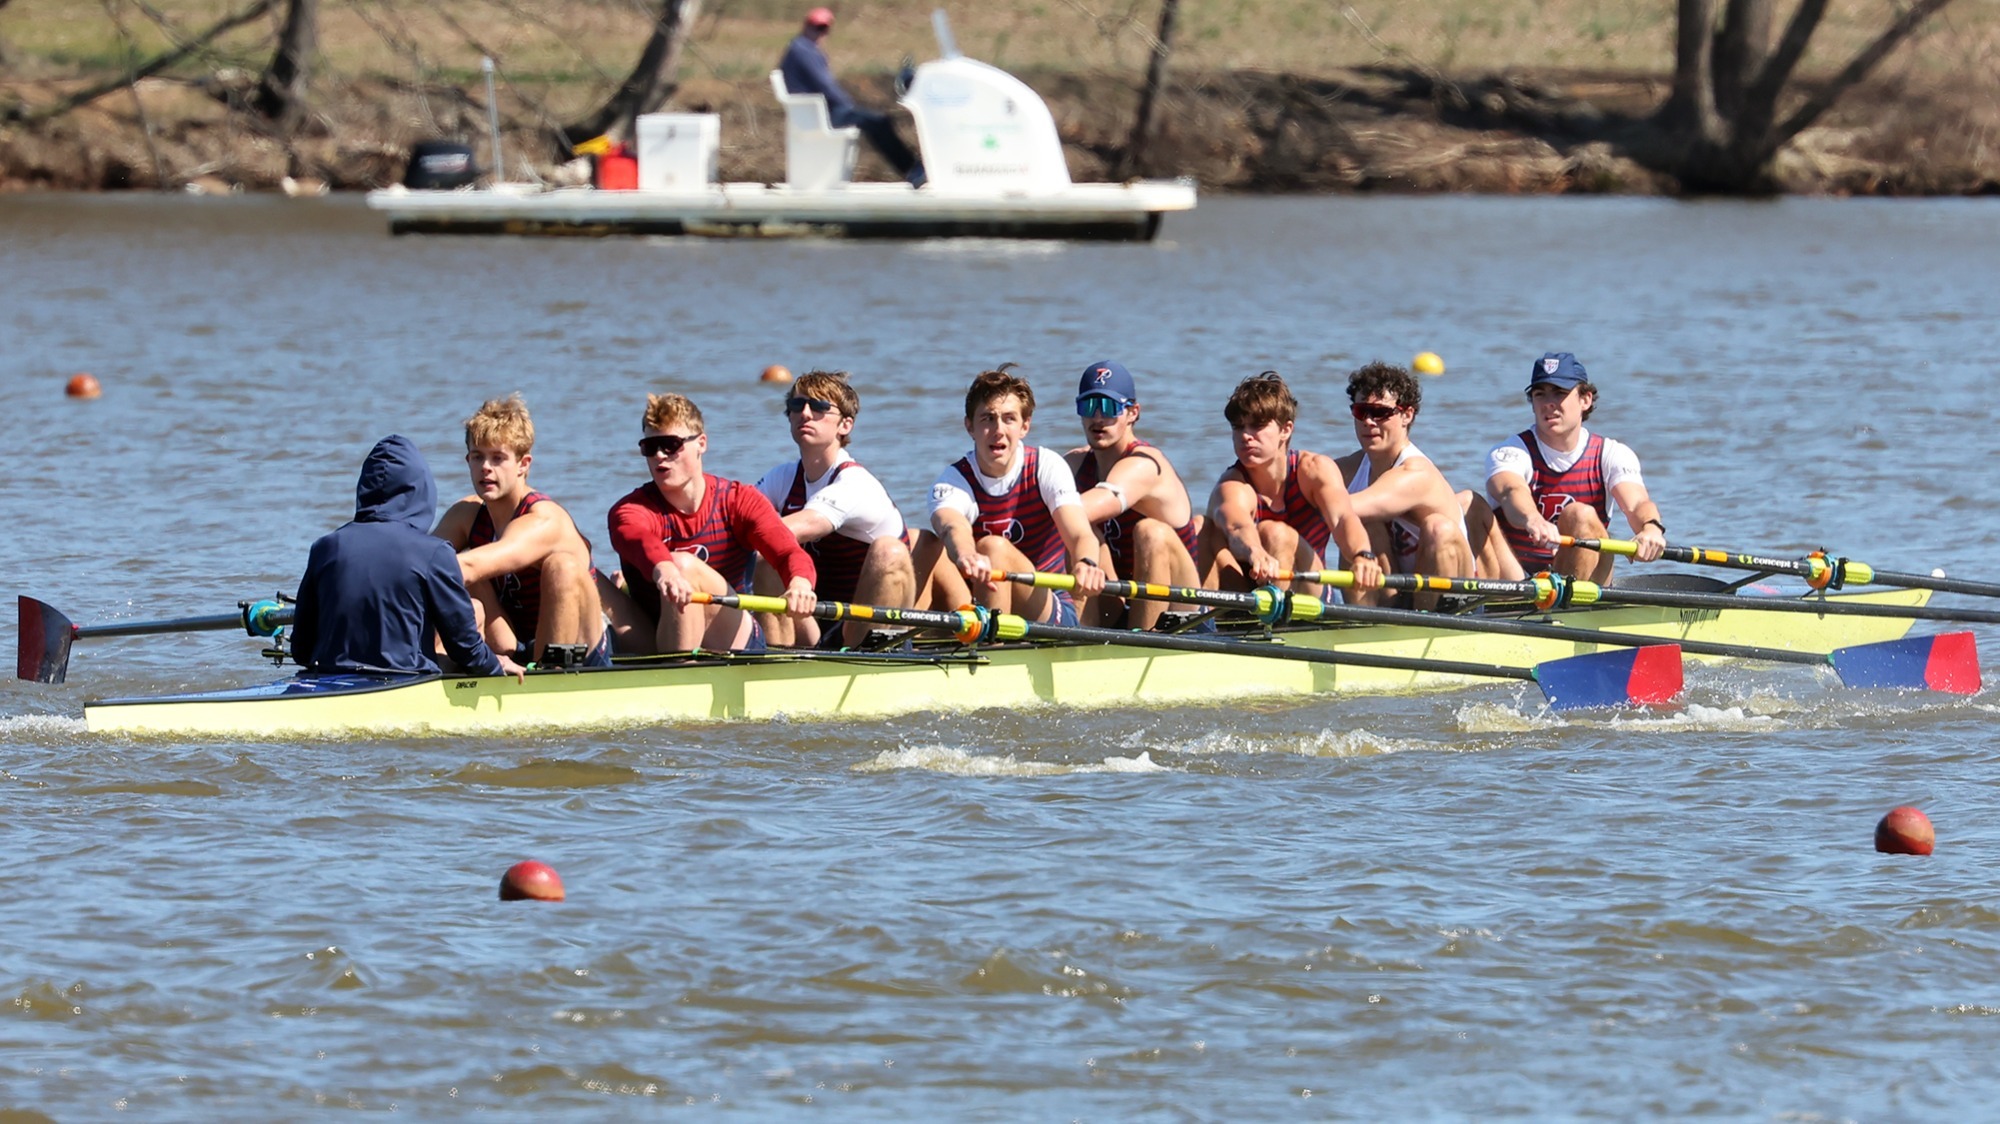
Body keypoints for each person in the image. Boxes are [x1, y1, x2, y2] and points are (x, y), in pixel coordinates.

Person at [291, 434, 525, 681]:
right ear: (422, 490)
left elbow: (301, 650)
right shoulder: (434, 553)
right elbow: (464, 646)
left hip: (329, 677)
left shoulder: (325, 547)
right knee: (472, 616)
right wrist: (493, 667)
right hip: (404, 681)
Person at [753, 370, 955, 648]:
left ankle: (877, 656)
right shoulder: (782, 477)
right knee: (765, 557)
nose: (806, 413)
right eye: (797, 406)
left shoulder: (855, 483)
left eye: (820, 407)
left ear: (845, 425)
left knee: (890, 551)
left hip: (861, 629)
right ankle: (774, 661)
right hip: (812, 623)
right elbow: (739, 516)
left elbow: (798, 526)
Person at [605, 393, 818, 653]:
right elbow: (638, 539)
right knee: (580, 565)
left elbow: (787, 551)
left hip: (731, 635)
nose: (660, 456)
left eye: (670, 444)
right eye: (650, 447)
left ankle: (681, 672)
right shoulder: (629, 510)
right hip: (656, 635)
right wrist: (664, 569)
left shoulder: (739, 500)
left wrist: (800, 585)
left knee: (683, 565)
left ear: (701, 443)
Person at [431, 394, 609, 667]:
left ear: (523, 465)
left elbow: (466, 566)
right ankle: (430, 671)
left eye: (498, 458)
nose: (486, 468)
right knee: (444, 562)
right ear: (468, 460)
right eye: (478, 457)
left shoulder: (545, 519)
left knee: (560, 566)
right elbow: (421, 559)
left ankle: (552, 675)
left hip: (582, 648)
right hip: (515, 642)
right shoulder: (466, 515)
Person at [930, 365, 1106, 624]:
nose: (998, 429)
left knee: (994, 547)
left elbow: (1080, 534)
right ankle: (899, 645)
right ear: (970, 427)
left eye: (1009, 418)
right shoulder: (954, 480)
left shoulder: (1046, 466)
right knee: (921, 542)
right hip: (979, 603)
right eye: (987, 418)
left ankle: (992, 651)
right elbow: (951, 526)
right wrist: (966, 553)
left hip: (1049, 608)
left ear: (1024, 426)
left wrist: (1087, 562)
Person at [1476, 351, 1667, 583]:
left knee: (1580, 514)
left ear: (1585, 400)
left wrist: (1651, 529)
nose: (1548, 404)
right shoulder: (1510, 452)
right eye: (1539, 394)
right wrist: (1532, 519)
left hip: (1588, 580)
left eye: (1559, 393)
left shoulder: (1612, 454)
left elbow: (1636, 503)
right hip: (1518, 579)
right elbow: (1510, 491)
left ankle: (1569, 605)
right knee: (1469, 503)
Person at [1198, 371, 1384, 600]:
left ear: (1286, 430)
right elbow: (1237, 526)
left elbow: (1343, 518)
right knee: (1200, 527)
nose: (1246, 436)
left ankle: (1277, 625)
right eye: (1238, 427)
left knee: (1275, 532)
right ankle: (1208, 624)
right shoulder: (1233, 485)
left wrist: (1362, 555)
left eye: (1257, 426)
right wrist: (1254, 551)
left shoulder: (1313, 469)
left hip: (1313, 593)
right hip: (1250, 588)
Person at [1062, 360, 1202, 629]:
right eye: (1089, 406)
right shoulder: (1076, 464)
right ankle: (1079, 639)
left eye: (1109, 407)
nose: (1098, 418)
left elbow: (1091, 504)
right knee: (1084, 532)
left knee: (1150, 531)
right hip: (1121, 602)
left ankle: (1144, 644)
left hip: (1181, 613)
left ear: (1133, 412)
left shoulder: (1144, 464)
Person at [1333, 361, 1475, 609]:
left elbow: (1343, 507)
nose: (1368, 421)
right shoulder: (1349, 468)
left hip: (1449, 597)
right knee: (1365, 527)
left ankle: (1430, 626)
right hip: (1397, 595)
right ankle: (1363, 624)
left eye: (1380, 413)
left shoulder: (1416, 472)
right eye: (1360, 411)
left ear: (1406, 415)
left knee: (1437, 527)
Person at [778, 7, 927, 187]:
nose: (819, 33)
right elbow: (825, 86)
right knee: (878, 122)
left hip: (817, 112)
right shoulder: (803, 51)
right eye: (816, 27)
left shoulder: (800, 48)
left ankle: (913, 168)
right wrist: (848, 105)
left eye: (823, 29)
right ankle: (912, 169)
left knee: (878, 121)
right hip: (823, 114)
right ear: (806, 26)